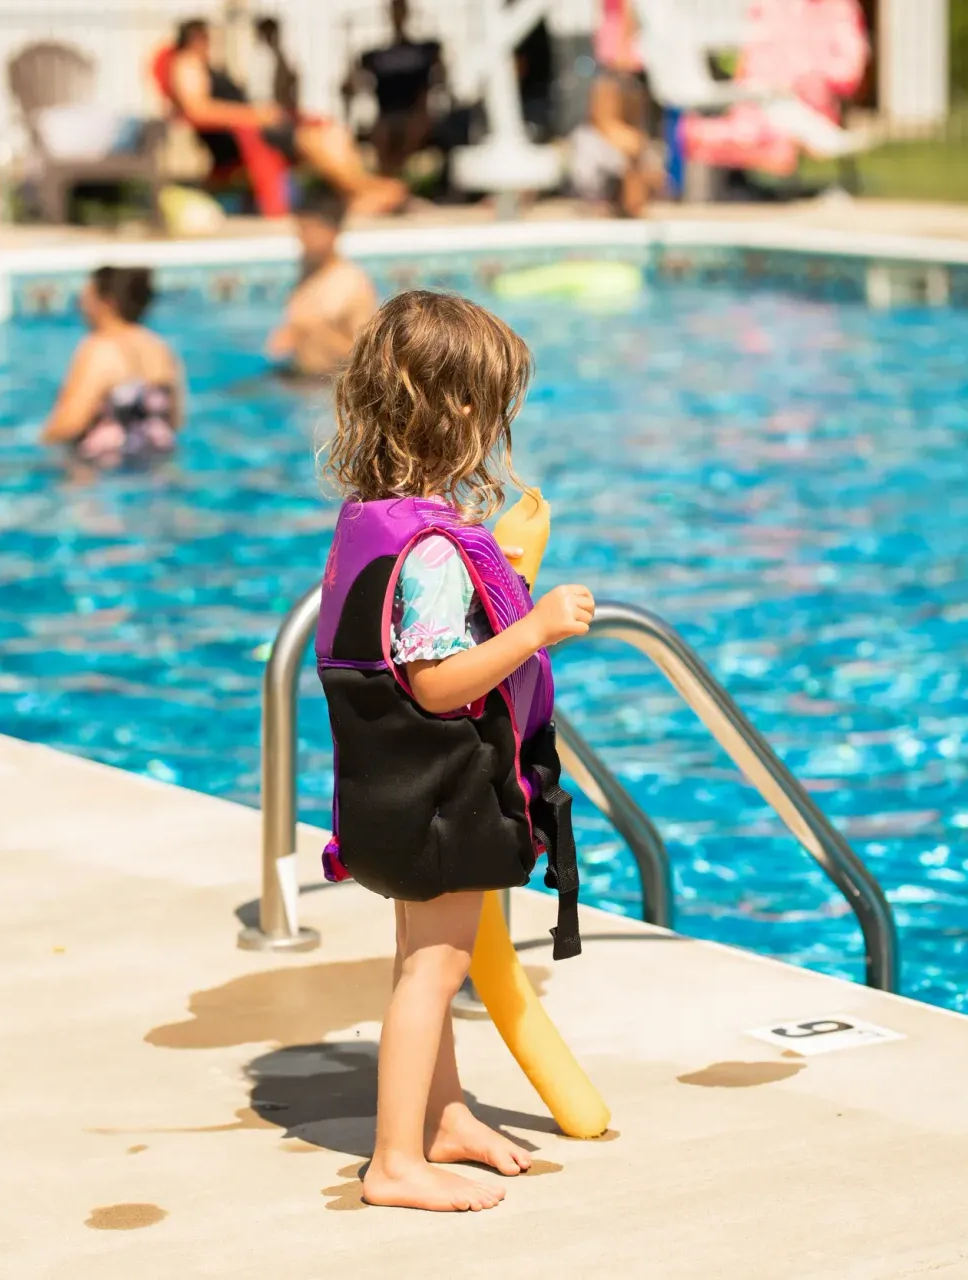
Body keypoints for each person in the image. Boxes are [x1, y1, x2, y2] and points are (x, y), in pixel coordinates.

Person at [317, 291, 595, 1212]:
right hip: (436, 788)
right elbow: (436, 684)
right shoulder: (432, 550)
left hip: (388, 791)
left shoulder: (374, 520)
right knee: (433, 970)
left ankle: (443, 1116)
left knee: (422, 957)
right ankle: (394, 1162)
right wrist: (538, 629)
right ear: (463, 412)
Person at [165, 20, 407, 216]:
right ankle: (364, 190)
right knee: (315, 137)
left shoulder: (202, 65)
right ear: (196, 38)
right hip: (242, 135)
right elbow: (198, 110)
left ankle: (362, 187)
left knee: (331, 130)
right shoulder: (186, 63)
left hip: (253, 126)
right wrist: (254, 116)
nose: (210, 44)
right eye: (207, 38)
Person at [41, 267, 184, 469]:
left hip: (104, 471)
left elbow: (69, 423)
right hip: (157, 466)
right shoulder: (160, 348)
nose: (82, 305)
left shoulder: (98, 348)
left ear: (107, 303)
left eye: (87, 297)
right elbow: (175, 421)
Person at [266, 191, 378, 377]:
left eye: (308, 229)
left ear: (332, 231)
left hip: (329, 383)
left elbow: (368, 357)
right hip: (300, 375)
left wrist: (315, 333)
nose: (302, 238)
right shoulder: (309, 271)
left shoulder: (353, 284)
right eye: (300, 230)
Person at [569, 0, 665, 217]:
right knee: (633, 148)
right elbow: (605, 123)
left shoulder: (624, 83)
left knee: (637, 148)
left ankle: (631, 198)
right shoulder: (610, 83)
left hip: (619, 61)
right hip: (616, 62)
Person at [348, 0, 444, 178]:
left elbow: (440, 81)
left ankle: (399, 180)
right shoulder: (375, 55)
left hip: (416, 112)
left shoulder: (425, 49)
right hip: (386, 115)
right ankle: (389, 179)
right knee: (382, 132)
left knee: (412, 128)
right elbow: (353, 84)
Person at [253, 15, 300, 116]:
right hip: (266, 111)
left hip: (284, 109)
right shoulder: (260, 57)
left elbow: (294, 82)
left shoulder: (285, 56)